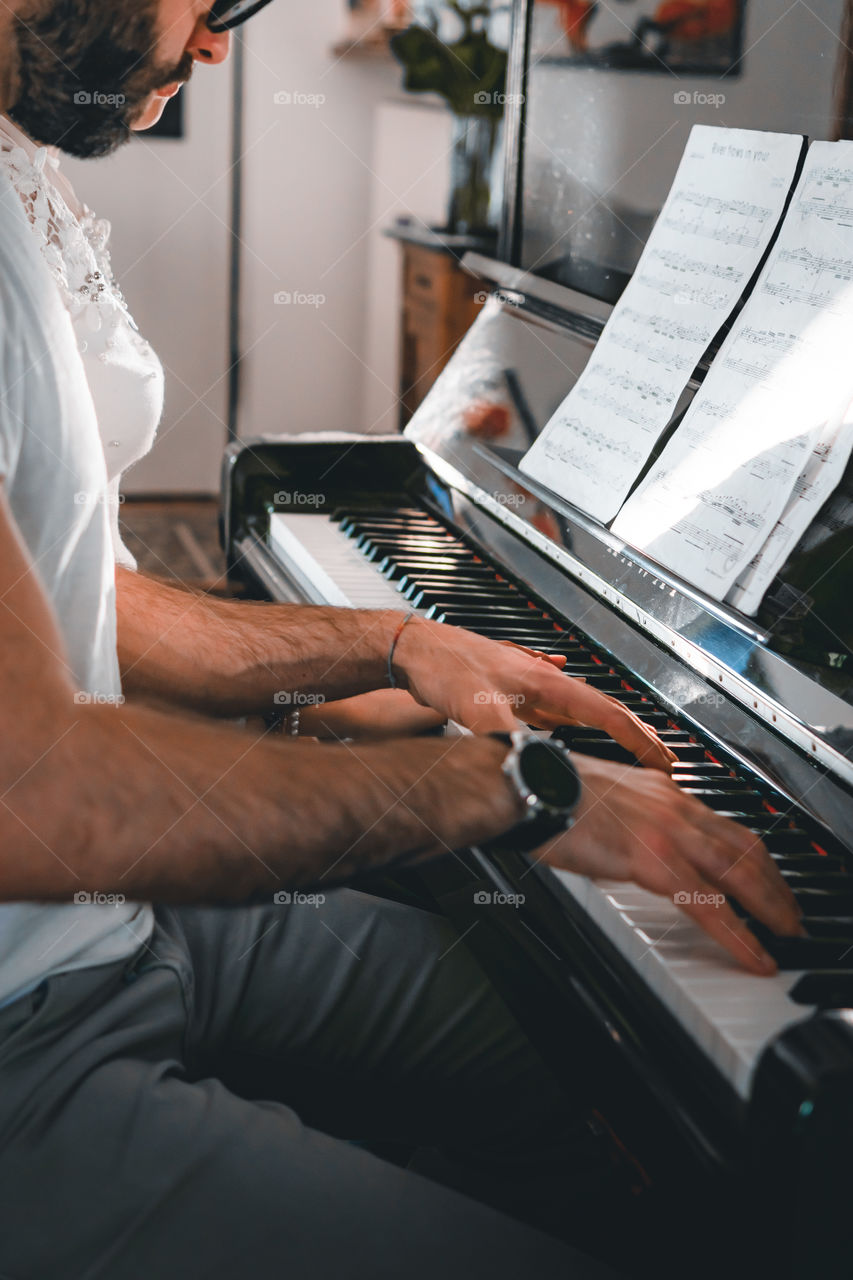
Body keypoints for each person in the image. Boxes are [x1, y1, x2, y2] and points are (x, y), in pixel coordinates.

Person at [0, 1, 803, 1276]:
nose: (215, 44)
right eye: (211, 5)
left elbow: (78, 592)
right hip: (25, 1033)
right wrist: (507, 788)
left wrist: (386, 645)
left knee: (590, 1070)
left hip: (122, 922)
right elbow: (35, 793)